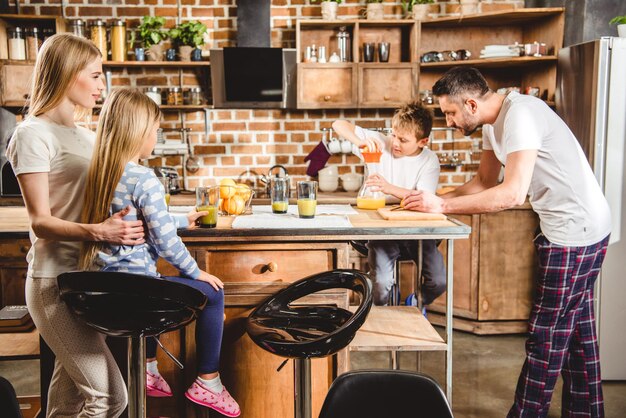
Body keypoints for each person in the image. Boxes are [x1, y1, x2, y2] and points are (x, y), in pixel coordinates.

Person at [404, 67, 611, 417]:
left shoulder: (522, 116)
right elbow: (484, 182)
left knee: (546, 338)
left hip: (576, 235)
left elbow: (511, 193)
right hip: (570, 230)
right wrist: (432, 202)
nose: (449, 122)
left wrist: (442, 205)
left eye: (450, 113)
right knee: (577, 339)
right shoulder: (493, 123)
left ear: (470, 103)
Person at [5, 33, 147, 417]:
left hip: (90, 280)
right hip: (54, 283)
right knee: (109, 398)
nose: (103, 85)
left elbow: (119, 194)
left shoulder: (88, 135)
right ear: (69, 75)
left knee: (68, 403)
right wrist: (99, 231)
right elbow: (41, 222)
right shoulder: (31, 134)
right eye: (96, 75)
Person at [79, 88, 241, 417]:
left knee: (155, 280)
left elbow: (146, 218)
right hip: (140, 294)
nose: (157, 136)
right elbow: (166, 242)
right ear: (138, 132)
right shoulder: (144, 177)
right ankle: (208, 382)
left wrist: (183, 218)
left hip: (103, 290)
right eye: (155, 130)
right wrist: (196, 273)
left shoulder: (99, 173)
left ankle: (148, 367)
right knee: (212, 292)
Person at [332, 101, 446, 309]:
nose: (395, 143)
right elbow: (338, 124)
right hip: (382, 230)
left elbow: (421, 198)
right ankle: (384, 310)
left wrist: (388, 188)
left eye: (403, 140)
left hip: (417, 232)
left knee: (438, 281)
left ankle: (416, 301)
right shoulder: (379, 143)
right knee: (381, 284)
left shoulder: (429, 161)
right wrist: (359, 142)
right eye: (393, 134)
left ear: (423, 141)